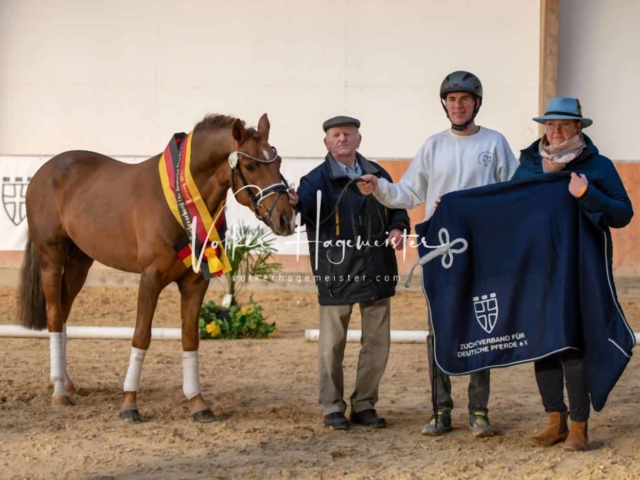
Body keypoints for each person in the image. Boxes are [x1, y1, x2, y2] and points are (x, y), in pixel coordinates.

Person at [357, 71, 518, 437]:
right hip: (441, 250)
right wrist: (378, 187)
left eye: (464, 99)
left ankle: (479, 410)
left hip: (482, 248)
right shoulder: (433, 146)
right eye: (451, 99)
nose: (457, 105)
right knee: (440, 328)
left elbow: (513, 192)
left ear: (476, 103)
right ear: (444, 104)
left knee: (483, 325)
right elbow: (408, 193)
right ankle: (440, 410)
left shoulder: (496, 144)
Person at [512, 97, 633, 451]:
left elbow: (622, 214)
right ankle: (555, 420)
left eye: (564, 124)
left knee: (573, 342)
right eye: (551, 125)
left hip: (582, 269)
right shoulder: (530, 166)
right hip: (540, 269)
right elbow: (509, 207)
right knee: (543, 342)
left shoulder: (599, 166)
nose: (556, 130)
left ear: (578, 127)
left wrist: (588, 194)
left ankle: (579, 425)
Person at [288, 116, 410, 430]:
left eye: (348, 134)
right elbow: (299, 212)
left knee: (377, 344)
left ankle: (365, 406)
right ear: (327, 143)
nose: (342, 139)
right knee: (331, 346)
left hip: (377, 269)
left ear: (358, 139)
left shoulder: (377, 173)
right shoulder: (314, 180)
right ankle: (332, 407)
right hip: (335, 273)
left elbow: (397, 205)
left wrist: (398, 227)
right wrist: (292, 205)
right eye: (336, 135)